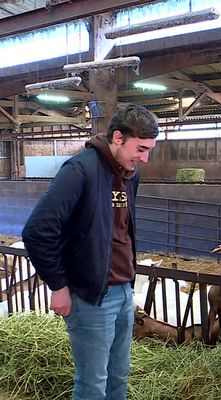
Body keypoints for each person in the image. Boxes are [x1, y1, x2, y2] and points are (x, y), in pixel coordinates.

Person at [22, 104, 159, 400]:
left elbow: (119, 230)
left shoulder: (129, 175)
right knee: (92, 385)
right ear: (118, 138)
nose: (145, 158)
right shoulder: (80, 170)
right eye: (141, 148)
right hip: (91, 296)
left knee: (118, 378)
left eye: (149, 150)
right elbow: (37, 230)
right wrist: (58, 285)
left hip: (123, 290)